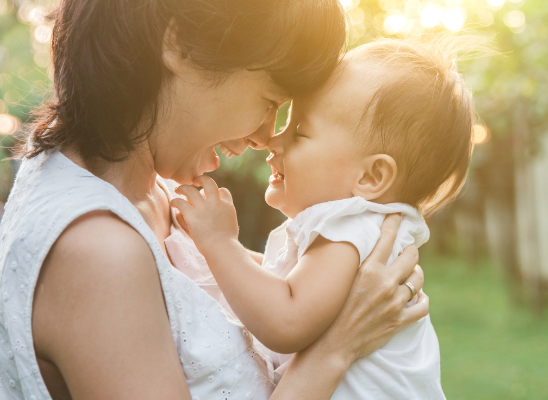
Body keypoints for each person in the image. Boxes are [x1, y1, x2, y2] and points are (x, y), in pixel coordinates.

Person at [0, 0, 427, 399]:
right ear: (181, 47)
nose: (266, 136)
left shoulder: (155, 193)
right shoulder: (96, 251)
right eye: (268, 101)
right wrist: (337, 349)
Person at [171, 37, 474, 399]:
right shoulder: (364, 228)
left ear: (371, 177)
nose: (274, 142)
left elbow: (287, 321)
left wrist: (219, 243)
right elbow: (286, 278)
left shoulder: (351, 226)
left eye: (299, 132)